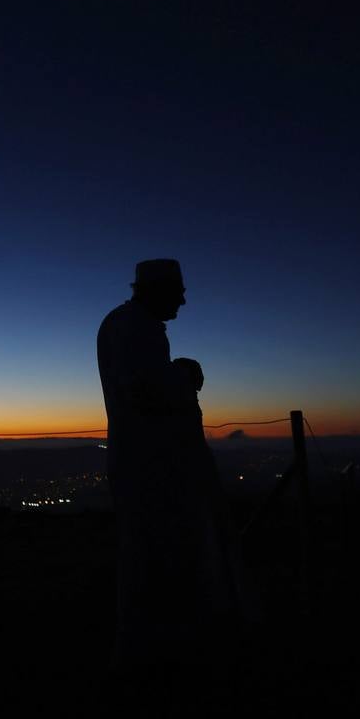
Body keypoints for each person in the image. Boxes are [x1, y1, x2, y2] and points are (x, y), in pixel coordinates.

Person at [97, 260, 237, 670]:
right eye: (177, 291)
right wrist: (185, 375)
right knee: (156, 555)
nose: (183, 299)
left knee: (154, 555)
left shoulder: (128, 325)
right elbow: (146, 390)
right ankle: (155, 653)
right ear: (156, 290)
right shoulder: (133, 328)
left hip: (148, 464)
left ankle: (155, 644)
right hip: (152, 468)